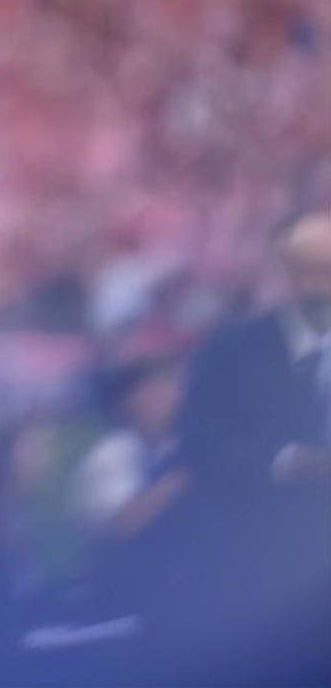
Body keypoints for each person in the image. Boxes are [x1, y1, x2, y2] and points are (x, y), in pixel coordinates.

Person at [178, 210, 331, 684]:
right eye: (306, 269)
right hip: (260, 571)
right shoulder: (231, 351)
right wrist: (286, 462)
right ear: (283, 272)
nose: (320, 284)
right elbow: (199, 444)